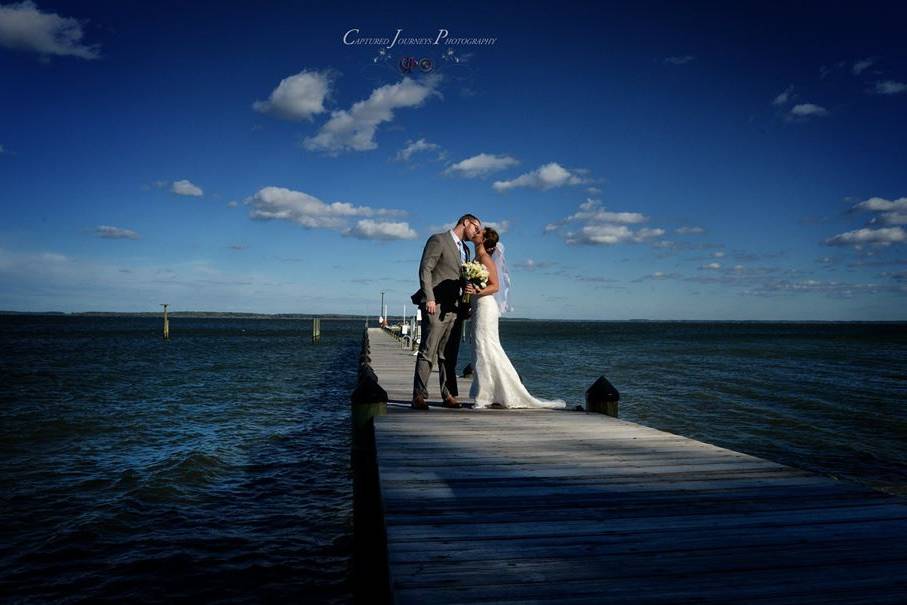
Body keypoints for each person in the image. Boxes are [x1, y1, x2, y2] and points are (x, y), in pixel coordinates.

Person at [465, 227, 565, 409]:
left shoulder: (486, 259)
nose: (475, 232)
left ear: (484, 240)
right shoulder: (476, 258)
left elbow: (495, 286)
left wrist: (477, 290)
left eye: (479, 232)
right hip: (478, 306)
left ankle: (485, 396)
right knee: (480, 349)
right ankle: (492, 392)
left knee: (486, 348)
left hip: (486, 307)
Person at [410, 214, 482, 409]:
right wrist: (430, 298)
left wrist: (469, 290)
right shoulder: (438, 240)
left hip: (456, 308)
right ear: (466, 222)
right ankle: (419, 395)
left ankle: (448, 394)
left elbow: (463, 277)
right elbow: (425, 269)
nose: (477, 233)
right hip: (436, 305)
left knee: (449, 354)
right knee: (428, 351)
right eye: (476, 228)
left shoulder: (466, 250)